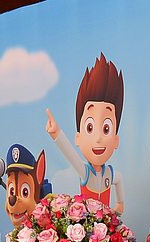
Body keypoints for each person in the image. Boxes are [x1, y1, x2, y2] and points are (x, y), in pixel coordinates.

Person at [45, 53, 125, 214]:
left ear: (116, 140)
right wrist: (56, 134)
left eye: (106, 129)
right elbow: (70, 155)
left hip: (108, 226)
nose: (98, 138)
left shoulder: (109, 174)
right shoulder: (85, 172)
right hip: (88, 227)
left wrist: (119, 205)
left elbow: (119, 179)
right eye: (90, 127)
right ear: (78, 138)